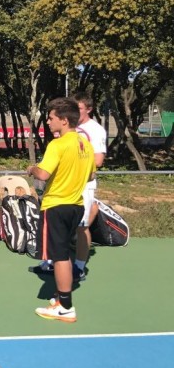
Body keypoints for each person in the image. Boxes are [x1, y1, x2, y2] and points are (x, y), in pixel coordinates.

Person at [27, 98, 95, 323]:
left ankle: (65, 307)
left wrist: (32, 168)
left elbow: (43, 174)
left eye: (51, 118)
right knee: (63, 253)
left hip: (56, 206)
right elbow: (91, 175)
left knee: (60, 257)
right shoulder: (85, 144)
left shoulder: (57, 144)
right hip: (76, 205)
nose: (47, 121)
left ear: (64, 120)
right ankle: (60, 299)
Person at [73, 91, 107, 282]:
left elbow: (98, 160)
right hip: (65, 184)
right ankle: (52, 262)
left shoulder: (96, 130)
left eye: (79, 109)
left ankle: (79, 267)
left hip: (84, 185)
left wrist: (78, 170)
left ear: (89, 109)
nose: (75, 113)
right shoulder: (68, 127)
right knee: (57, 225)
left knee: (81, 225)